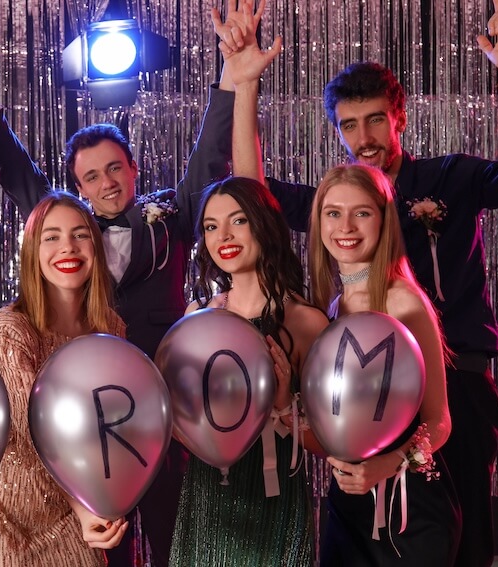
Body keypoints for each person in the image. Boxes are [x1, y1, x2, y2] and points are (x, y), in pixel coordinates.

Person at [214, 1, 498, 563]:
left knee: (457, 546)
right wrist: (244, 87)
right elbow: (254, 199)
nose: (363, 136)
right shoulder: (336, 198)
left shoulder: (450, 178)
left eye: (374, 119)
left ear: (400, 117)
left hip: (454, 390)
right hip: (363, 399)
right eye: (348, 124)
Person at [0, 18, 233, 567]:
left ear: (134, 169)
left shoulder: (170, 216)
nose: (106, 182)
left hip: (160, 416)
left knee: (167, 542)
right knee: (99, 543)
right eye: (91, 176)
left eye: (115, 168)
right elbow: (12, 166)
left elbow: (209, 158)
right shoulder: (67, 234)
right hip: (79, 428)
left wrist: (232, 78)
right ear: (77, 185)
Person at [168, 4, 328, 565]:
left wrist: (286, 409)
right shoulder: (199, 320)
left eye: (237, 221)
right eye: (210, 227)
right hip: (206, 502)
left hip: (276, 505)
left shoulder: (305, 321)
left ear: (262, 224)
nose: (222, 236)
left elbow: (331, 440)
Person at [0, 192, 127, 566]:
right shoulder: (8, 329)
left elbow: (117, 430)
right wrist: (85, 508)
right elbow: (37, 431)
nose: (68, 246)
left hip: (73, 516)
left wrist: (100, 503)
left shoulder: (111, 330)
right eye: (51, 237)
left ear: (96, 246)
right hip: (3, 521)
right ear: (33, 252)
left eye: (80, 234)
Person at [307, 163, 461, 564]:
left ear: (383, 220)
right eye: (333, 212)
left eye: (361, 212)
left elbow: (440, 422)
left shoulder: (403, 300)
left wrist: (388, 465)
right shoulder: (334, 306)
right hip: (350, 508)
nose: (346, 226)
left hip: (409, 512)